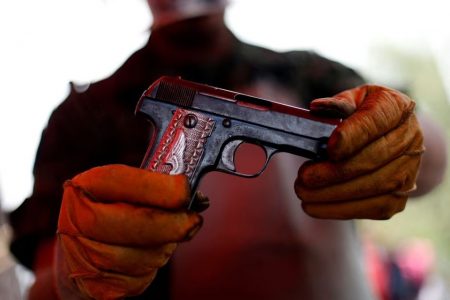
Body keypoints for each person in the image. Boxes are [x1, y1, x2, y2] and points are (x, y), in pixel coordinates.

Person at [7, 0, 435, 299]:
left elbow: (428, 165)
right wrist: (71, 275)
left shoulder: (307, 72)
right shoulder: (88, 113)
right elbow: (44, 284)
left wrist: (412, 136)